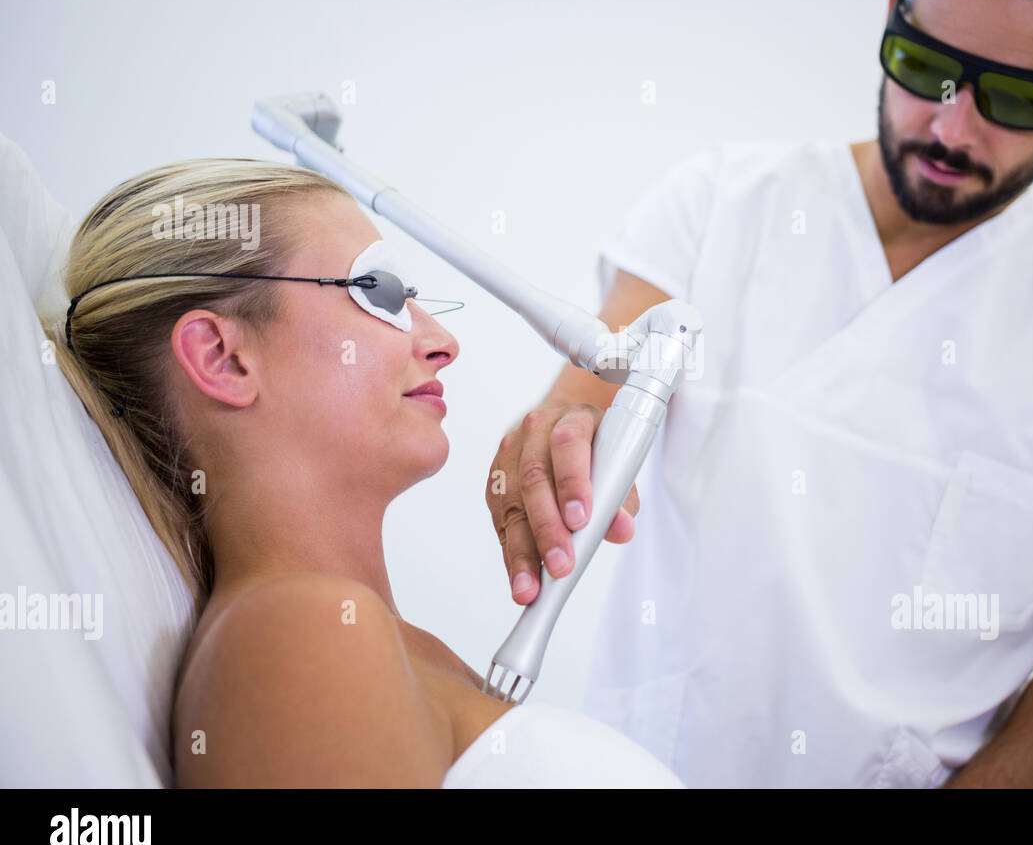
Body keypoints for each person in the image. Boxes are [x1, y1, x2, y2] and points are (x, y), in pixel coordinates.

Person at [486, 0, 1033, 787]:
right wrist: (558, 438)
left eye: (1021, 100)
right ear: (893, 17)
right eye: (926, 69)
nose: (952, 128)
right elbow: (590, 392)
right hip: (657, 765)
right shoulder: (720, 205)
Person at [48, 159, 683, 787]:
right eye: (379, 291)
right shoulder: (300, 633)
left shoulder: (373, 642)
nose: (442, 342)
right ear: (223, 358)